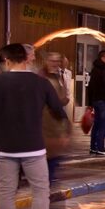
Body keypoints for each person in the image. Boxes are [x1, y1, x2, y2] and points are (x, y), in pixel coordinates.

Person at [0, 43, 68, 209]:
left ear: (7, 60)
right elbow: (58, 111)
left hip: (4, 148)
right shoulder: (41, 82)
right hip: (33, 147)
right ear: (26, 59)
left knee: (7, 192)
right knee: (40, 191)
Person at [40, 52, 72, 184]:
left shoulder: (58, 76)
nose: (55, 64)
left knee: (54, 155)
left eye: (57, 61)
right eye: (52, 61)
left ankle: (47, 181)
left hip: (56, 122)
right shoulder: (42, 78)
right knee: (48, 155)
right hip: (46, 121)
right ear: (46, 61)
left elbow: (61, 97)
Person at [87, 49, 105, 155]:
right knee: (103, 125)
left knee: (97, 124)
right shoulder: (104, 70)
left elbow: (90, 87)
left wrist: (91, 102)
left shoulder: (95, 69)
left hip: (97, 100)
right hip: (103, 101)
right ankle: (100, 148)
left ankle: (93, 147)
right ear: (103, 58)